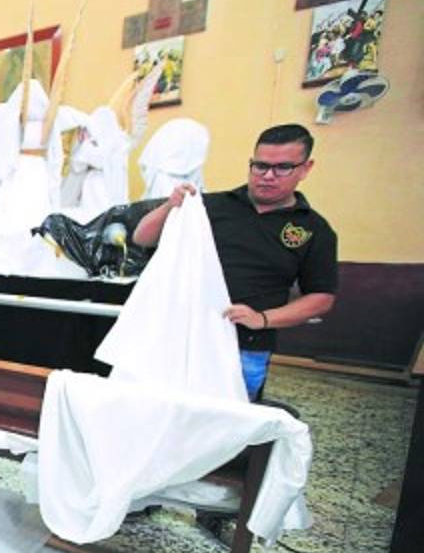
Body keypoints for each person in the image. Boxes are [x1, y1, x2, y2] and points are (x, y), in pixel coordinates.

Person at [132, 124, 338, 400]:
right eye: (260, 166)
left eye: (282, 168)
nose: (267, 176)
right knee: (162, 410)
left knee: (229, 423)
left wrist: (263, 319)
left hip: (246, 346)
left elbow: (321, 297)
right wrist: (170, 206)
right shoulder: (210, 206)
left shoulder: (314, 230)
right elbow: (143, 237)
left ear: (305, 168)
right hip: (183, 336)